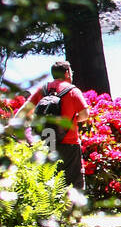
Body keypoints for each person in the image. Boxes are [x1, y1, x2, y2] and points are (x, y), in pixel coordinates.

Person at [21, 60, 90, 192]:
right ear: (67, 73)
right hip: (69, 143)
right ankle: (73, 210)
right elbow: (85, 114)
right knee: (74, 182)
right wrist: (74, 119)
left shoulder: (43, 89)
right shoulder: (72, 91)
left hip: (46, 142)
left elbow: (25, 111)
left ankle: (51, 210)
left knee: (48, 181)